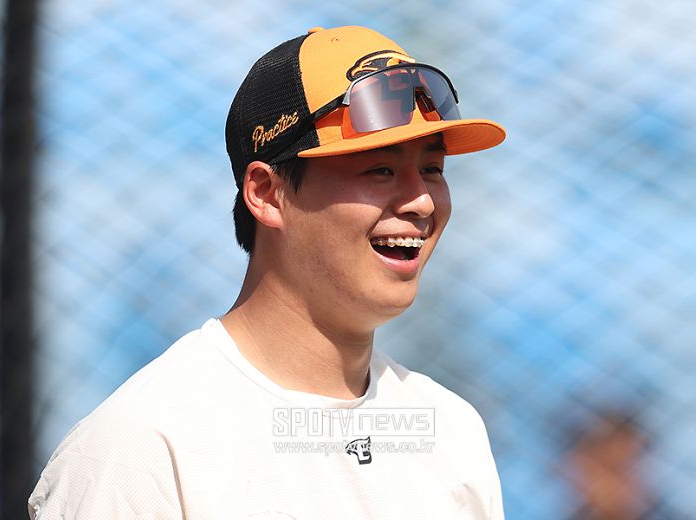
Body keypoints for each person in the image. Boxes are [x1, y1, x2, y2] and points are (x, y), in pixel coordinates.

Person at [28, 25, 507, 519]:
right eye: (380, 170)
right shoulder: (142, 448)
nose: (422, 201)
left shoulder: (452, 432)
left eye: (432, 169)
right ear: (266, 194)